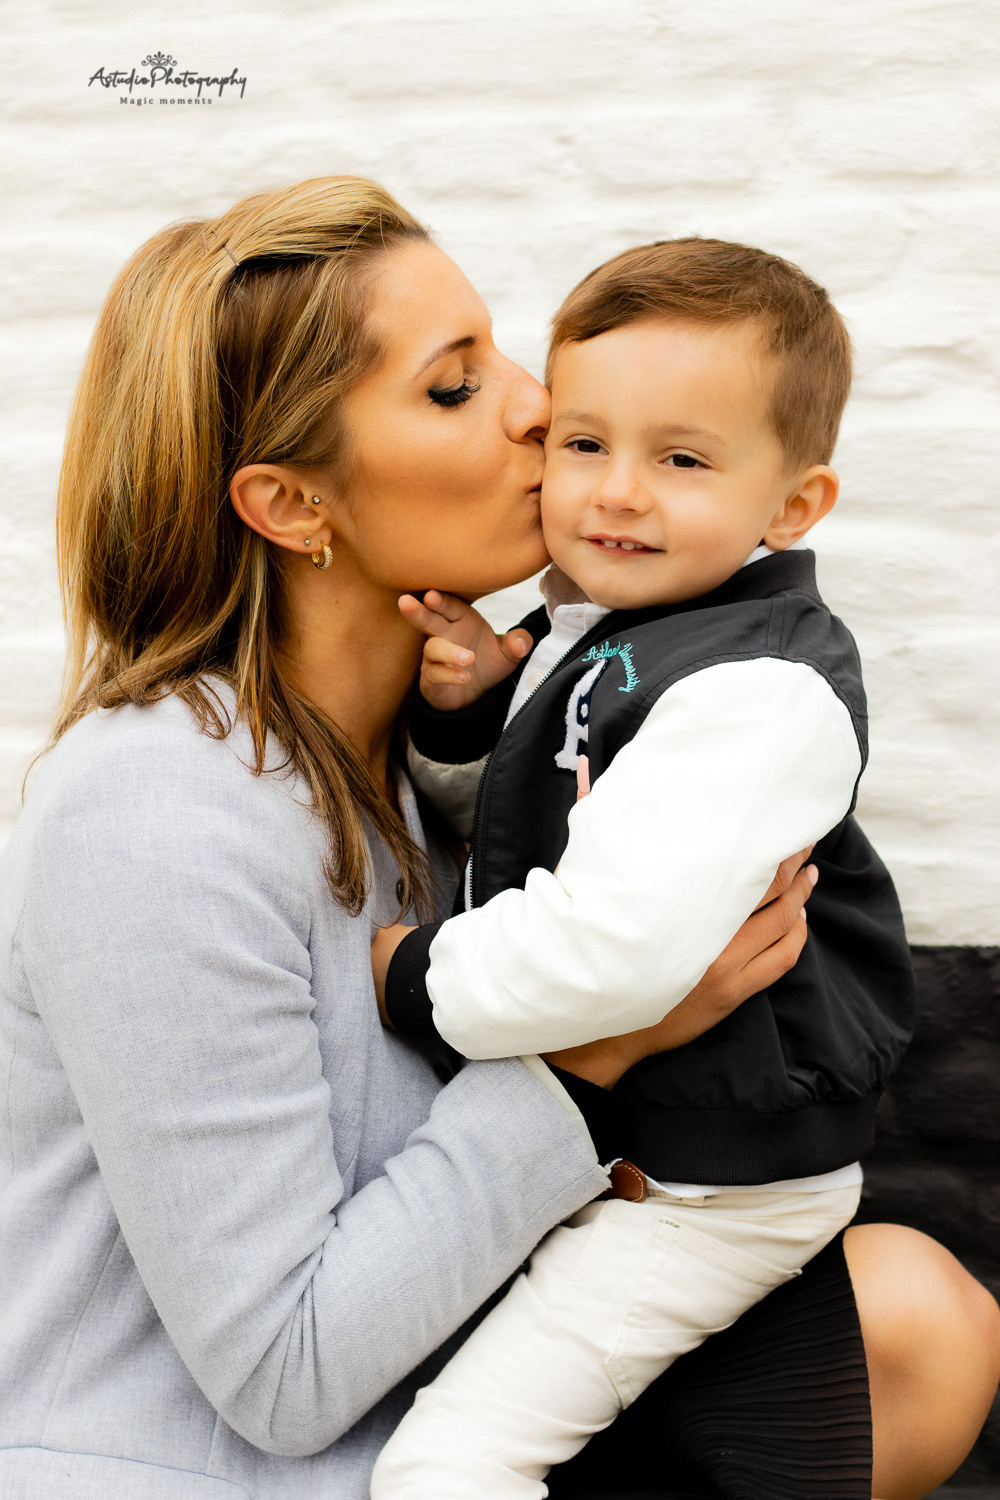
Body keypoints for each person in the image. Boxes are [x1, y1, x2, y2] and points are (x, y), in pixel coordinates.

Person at [0, 178, 994, 1500]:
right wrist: (604, 1044)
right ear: (295, 505)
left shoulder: (417, 759)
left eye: (503, 350)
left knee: (920, 1323)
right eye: (456, 386)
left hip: (436, 1393)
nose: (539, 405)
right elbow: (284, 1376)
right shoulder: (151, 809)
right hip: (222, 1462)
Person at [365, 237, 922, 1499]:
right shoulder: (621, 630)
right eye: (582, 443)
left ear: (792, 505)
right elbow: (529, 821)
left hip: (703, 1190)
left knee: (450, 1467)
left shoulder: (756, 692)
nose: (616, 492)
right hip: (642, 1143)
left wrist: (410, 982)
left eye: (679, 459)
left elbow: (607, 950)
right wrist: (472, 710)